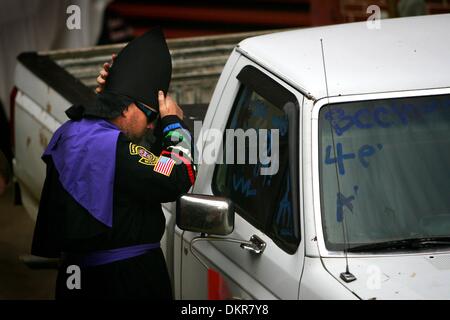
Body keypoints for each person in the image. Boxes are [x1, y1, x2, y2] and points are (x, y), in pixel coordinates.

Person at [31, 27, 196, 299]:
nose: (152, 124)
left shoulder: (72, 132)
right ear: (126, 107)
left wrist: (110, 94)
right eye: (151, 115)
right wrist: (174, 124)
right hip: (126, 282)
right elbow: (178, 174)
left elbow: (136, 159)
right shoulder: (115, 152)